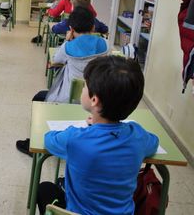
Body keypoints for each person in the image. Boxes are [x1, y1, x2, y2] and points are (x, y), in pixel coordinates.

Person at [36, 55, 159, 214]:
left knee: (44, 188)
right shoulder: (138, 135)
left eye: (85, 86)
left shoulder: (74, 138)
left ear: (94, 99)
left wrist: (89, 129)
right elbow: (154, 143)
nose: (83, 88)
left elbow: (48, 140)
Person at [16, 7, 109, 155]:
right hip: (95, 100)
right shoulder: (104, 44)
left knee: (39, 98)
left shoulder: (68, 46)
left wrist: (66, 40)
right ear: (93, 27)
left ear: (71, 28)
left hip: (68, 98)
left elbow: (56, 59)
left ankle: (36, 141)